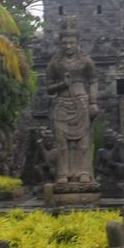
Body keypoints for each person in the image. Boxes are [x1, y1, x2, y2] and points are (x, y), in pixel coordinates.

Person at [45, 18, 98, 183]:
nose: (68, 46)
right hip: (62, 104)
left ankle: (83, 172)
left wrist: (93, 102)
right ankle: (63, 173)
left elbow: (94, 80)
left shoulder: (86, 61)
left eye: (71, 42)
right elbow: (48, 87)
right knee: (62, 142)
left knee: (83, 141)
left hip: (81, 102)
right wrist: (62, 84)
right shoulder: (55, 63)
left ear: (78, 42)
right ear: (60, 43)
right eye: (65, 43)